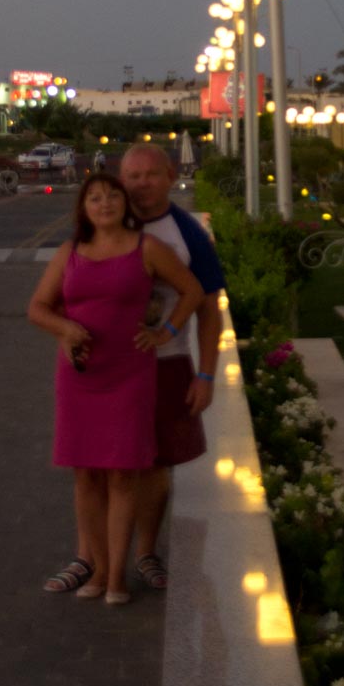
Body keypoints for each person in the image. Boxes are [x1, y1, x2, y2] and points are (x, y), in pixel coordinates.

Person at [28, 172, 202, 604]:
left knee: (124, 473)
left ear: (124, 204)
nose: (104, 203)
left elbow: (192, 291)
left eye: (112, 196)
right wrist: (65, 329)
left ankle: (118, 579)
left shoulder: (147, 248)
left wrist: (165, 332)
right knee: (86, 473)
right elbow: (37, 307)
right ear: (83, 208)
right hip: (80, 376)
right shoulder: (70, 252)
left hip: (129, 375)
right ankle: (100, 571)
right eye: (95, 198)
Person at [118, 143, 225, 590]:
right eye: (132, 176)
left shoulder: (187, 233)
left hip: (167, 363)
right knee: (105, 466)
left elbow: (209, 310)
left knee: (156, 465)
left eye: (150, 174)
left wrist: (206, 374)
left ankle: (146, 552)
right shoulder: (106, 223)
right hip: (111, 369)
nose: (141, 183)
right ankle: (100, 559)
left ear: (170, 175)